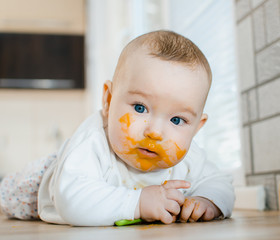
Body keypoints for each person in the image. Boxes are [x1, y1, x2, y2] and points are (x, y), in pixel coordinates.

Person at [0, 30, 235, 226]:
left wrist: (207, 201)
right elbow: (71, 201)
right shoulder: (92, 142)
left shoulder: (189, 157)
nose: (155, 132)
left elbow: (221, 182)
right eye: (140, 108)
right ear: (109, 100)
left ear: (196, 128)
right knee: (5, 196)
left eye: (176, 120)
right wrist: (139, 203)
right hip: (40, 185)